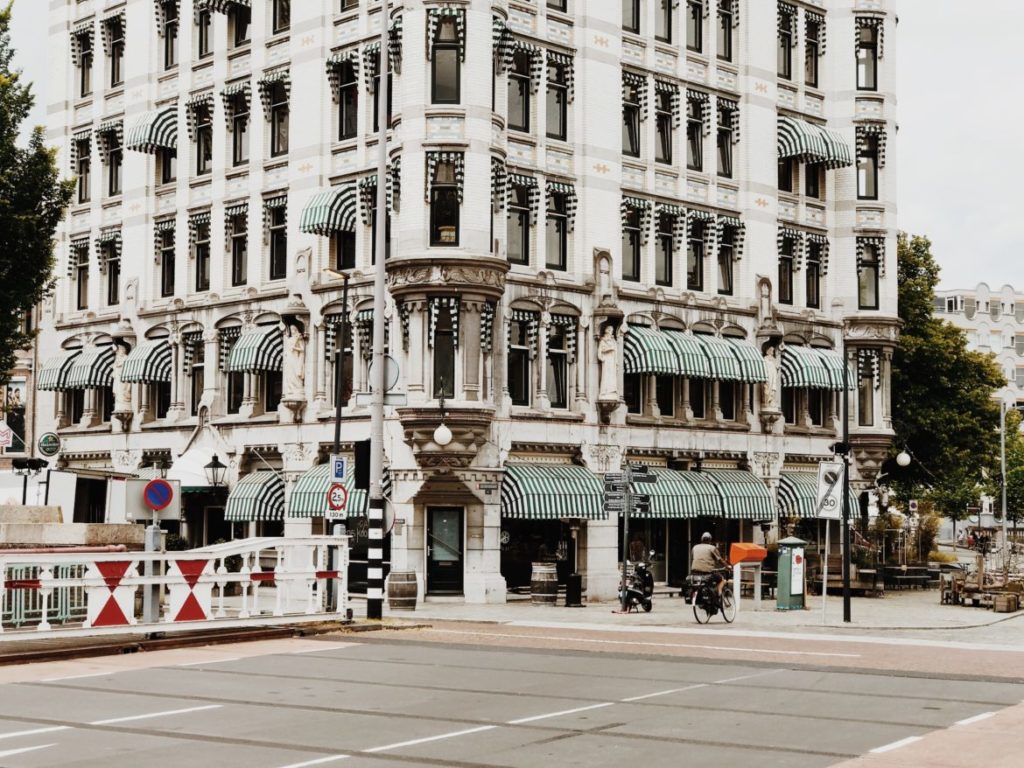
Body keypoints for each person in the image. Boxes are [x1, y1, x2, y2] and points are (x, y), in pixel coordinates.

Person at [690, 532, 729, 604]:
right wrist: (727, 566)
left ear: (701, 540)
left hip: (695, 573)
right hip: (707, 573)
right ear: (710, 540)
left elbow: (694, 559)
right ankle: (720, 596)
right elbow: (720, 560)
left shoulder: (695, 547)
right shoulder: (712, 548)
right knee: (722, 580)